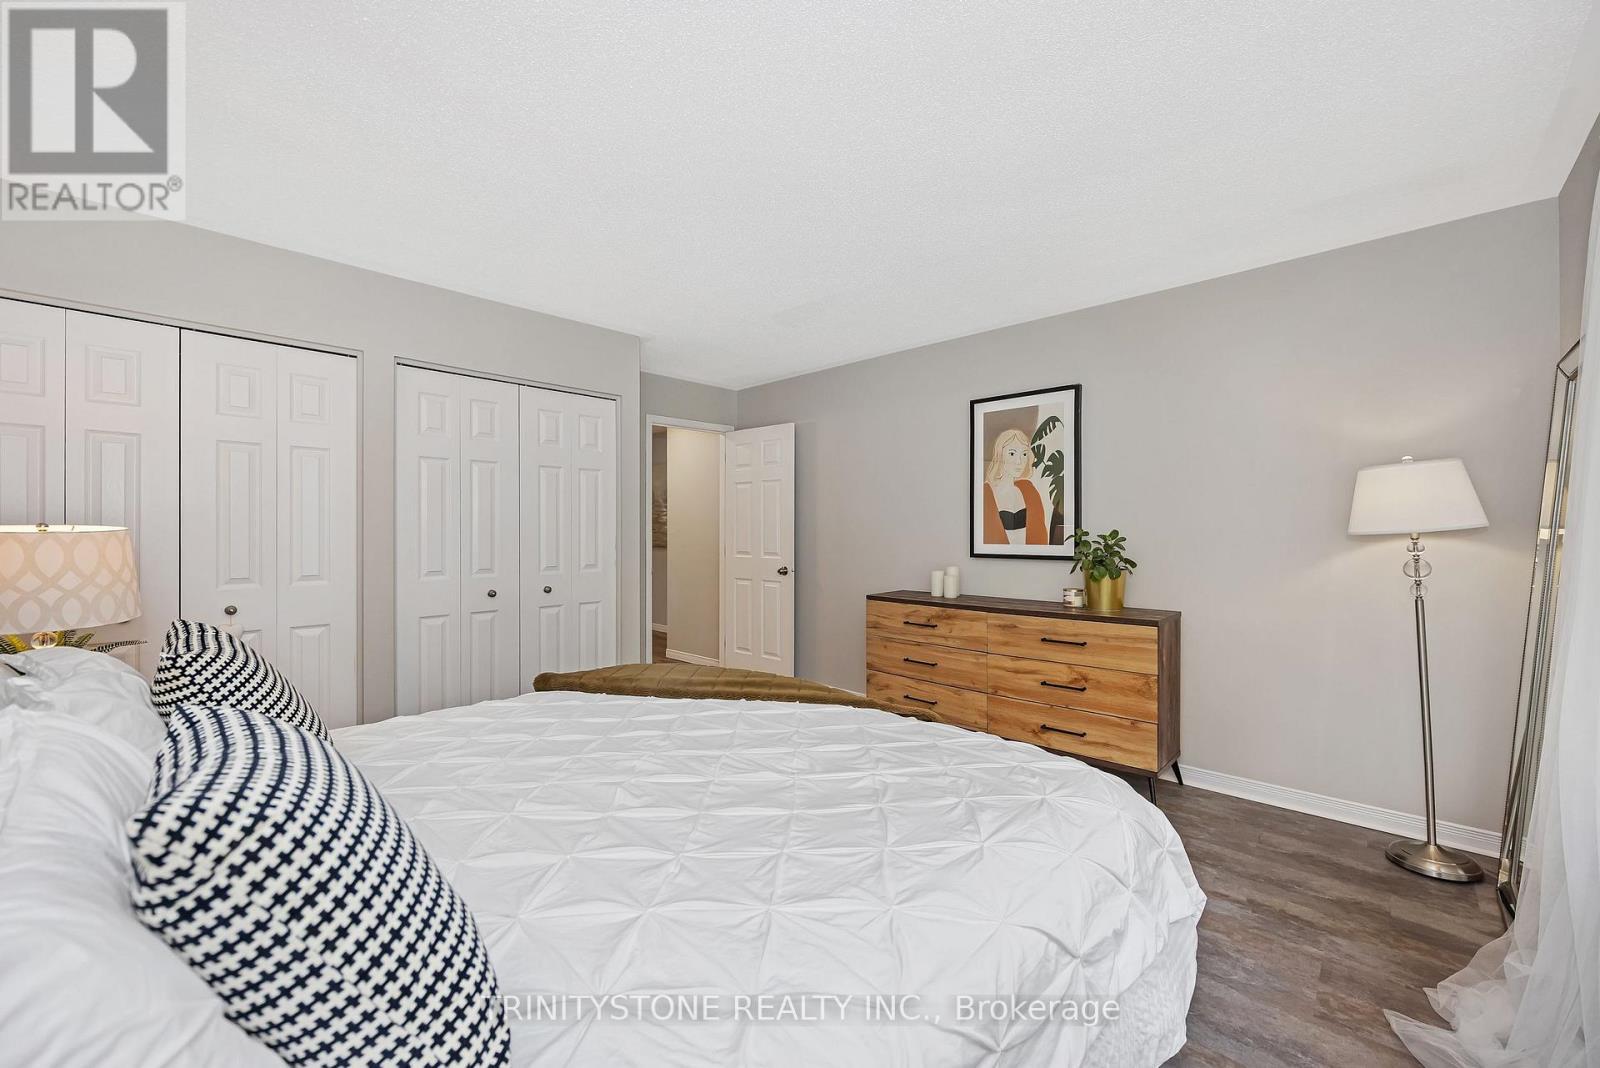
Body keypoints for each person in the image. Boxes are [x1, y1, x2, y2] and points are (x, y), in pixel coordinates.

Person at [982, 428, 1047, 545]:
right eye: (1012, 453)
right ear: (1000, 455)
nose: (1019, 461)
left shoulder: (1029, 489)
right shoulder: (985, 493)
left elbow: (1041, 534)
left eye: (1024, 454)